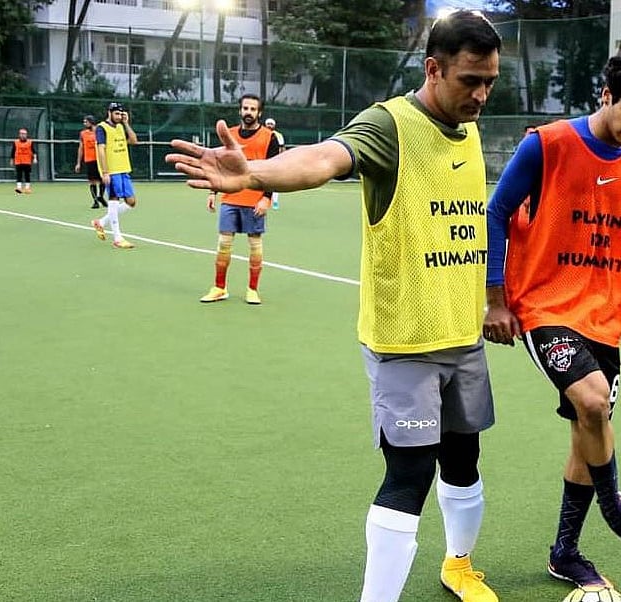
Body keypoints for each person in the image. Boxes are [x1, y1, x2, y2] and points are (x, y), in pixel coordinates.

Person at [165, 10, 503, 602]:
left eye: (490, 82)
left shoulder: (468, 129)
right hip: (405, 342)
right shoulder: (392, 124)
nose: (480, 94)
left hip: (463, 337)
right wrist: (257, 172)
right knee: (410, 473)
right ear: (433, 69)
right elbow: (326, 157)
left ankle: (459, 564)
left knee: (463, 460)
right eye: (469, 80)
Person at [483, 45, 621, 590]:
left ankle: (565, 553)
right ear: (606, 95)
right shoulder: (546, 145)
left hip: (606, 316)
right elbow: (497, 212)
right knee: (593, 401)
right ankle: (617, 512)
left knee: (585, 427)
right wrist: (496, 299)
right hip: (545, 306)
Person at [199, 95, 282, 305]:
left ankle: (252, 290)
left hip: (255, 200)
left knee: (255, 244)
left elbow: (273, 171)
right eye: (245, 108)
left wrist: (267, 198)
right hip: (230, 198)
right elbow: (219, 167)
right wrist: (212, 192)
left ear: (259, 113)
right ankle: (219, 287)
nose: (248, 112)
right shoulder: (230, 135)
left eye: (253, 109)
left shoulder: (268, 137)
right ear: (240, 110)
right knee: (223, 243)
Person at [90, 102, 140, 249]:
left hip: (124, 169)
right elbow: (101, 150)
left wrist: (126, 124)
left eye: (121, 114)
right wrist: (105, 172)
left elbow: (133, 140)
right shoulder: (101, 128)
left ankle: (101, 222)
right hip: (112, 171)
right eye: (116, 113)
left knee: (131, 202)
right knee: (114, 200)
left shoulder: (120, 126)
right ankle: (117, 238)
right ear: (109, 113)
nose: (119, 116)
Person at [75, 115, 107, 208]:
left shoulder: (99, 131)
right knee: (92, 181)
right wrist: (78, 163)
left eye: (86, 122)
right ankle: (95, 201)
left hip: (100, 159)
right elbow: (81, 148)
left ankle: (101, 196)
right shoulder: (83, 134)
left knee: (103, 180)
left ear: (91, 122)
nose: (84, 124)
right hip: (89, 160)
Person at [263, 117, 286, 210]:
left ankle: (275, 201)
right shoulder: (261, 134)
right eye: (268, 123)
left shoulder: (278, 135)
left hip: (275, 162)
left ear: (274, 125)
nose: (269, 125)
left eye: (271, 124)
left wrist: (282, 160)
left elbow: (282, 149)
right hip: (262, 162)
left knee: (275, 182)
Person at [10, 128, 37, 195]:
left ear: (26, 135)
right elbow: (13, 152)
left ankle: (27, 188)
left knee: (27, 175)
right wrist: (11, 160)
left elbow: (34, 151)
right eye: (21, 134)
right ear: (19, 134)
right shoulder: (16, 142)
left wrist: (35, 158)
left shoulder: (30, 142)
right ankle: (19, 188)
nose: (22, 135)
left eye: (24, 134)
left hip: (27, 161)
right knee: (19, 175)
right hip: (18, 161)